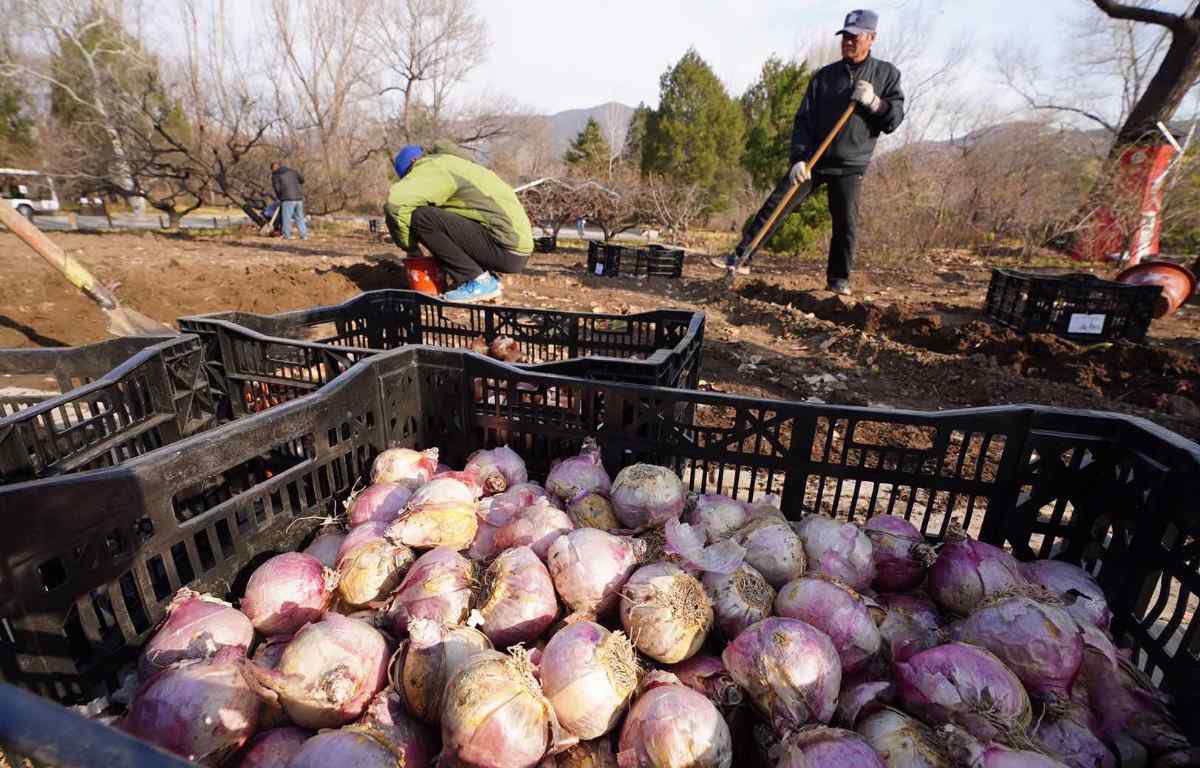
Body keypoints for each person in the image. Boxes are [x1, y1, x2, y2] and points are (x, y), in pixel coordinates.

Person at [713, 8, 904, 295]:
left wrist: (874, 102)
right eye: (845, 37)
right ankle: (741, 257)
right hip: (815, 160)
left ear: (871, 38)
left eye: (855, 37)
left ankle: (838, 281)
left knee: (845, 222)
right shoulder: (824, 77)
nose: (848, 42)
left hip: (851, 164)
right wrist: (799, 159)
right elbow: (803, 120)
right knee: (777, 204)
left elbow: (893, 120)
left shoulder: (887, 74)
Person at [384, 144, 533, 302]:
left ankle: (479, 281)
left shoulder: (432, 167)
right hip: (514, 247)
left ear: (414, 162)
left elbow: (396, 205)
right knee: (439, 213)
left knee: (422, 217)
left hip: (505, 247)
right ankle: (483, 276)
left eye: (409, 176)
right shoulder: (456, 164)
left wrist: (411, 248)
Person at [270, 161, 307, 241]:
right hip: (298, 198)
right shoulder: (293, 171)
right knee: (300, 218)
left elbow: (277, 188)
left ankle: (287, 235)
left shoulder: (275, 175)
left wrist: (280, 198)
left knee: (287, 218)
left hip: (287, 199)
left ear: (273, 168)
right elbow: (302, 180)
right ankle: (304, 236)